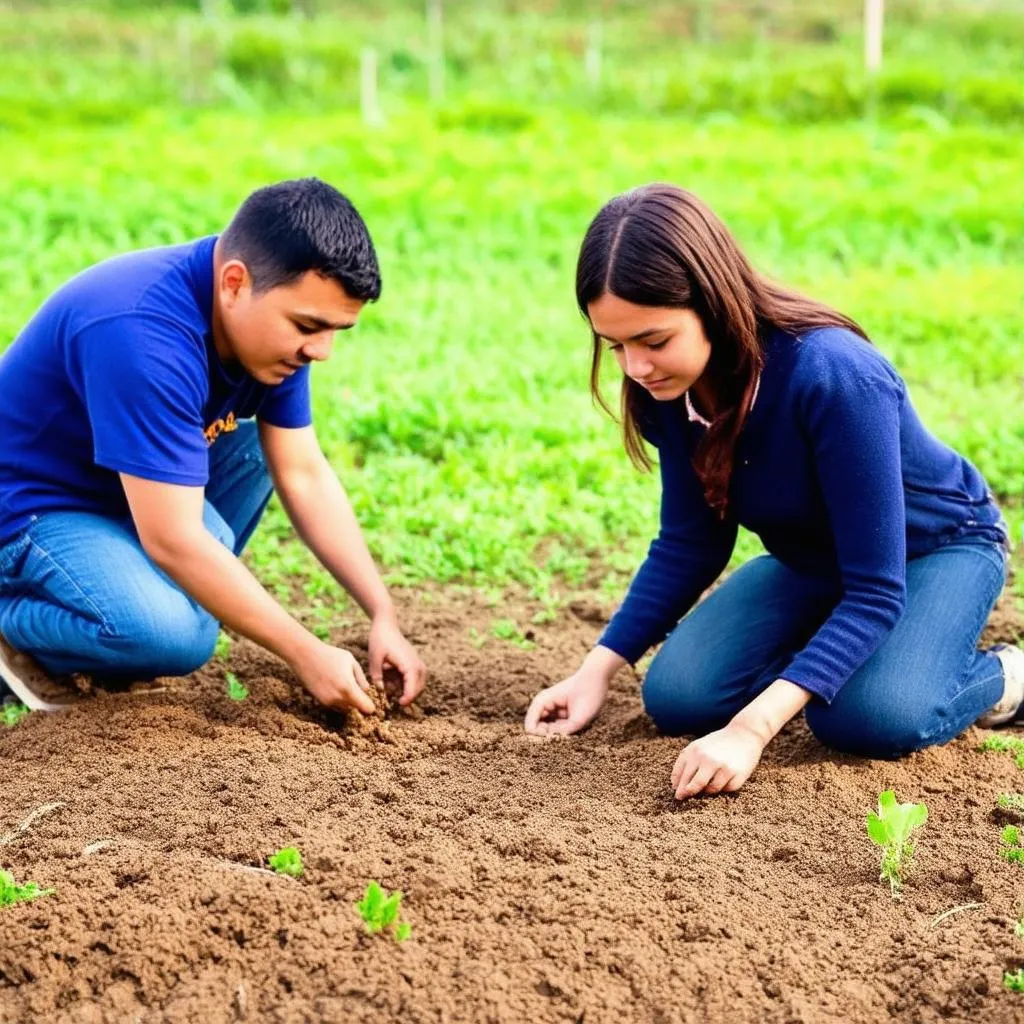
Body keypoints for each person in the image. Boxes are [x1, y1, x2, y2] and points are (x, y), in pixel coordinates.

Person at [524, 183, 1021, 798]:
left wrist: (752, 728)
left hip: (936, 550)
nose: (635, 367)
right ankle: (839, 661)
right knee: (679, 695)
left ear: (713, 301)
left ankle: (1003, 675)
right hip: (816, 559)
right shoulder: (670, 391)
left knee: (868, 716)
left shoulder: (834, 376)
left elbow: (875, 587)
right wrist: (596, 669)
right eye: (615, 345)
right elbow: (689, 543)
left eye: (653, 341)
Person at [0, 178, 426, 714]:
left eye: (336, 330)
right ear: (233, 283)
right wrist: (305, 652)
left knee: (253, 454)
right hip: (31, 509)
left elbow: (302, 472)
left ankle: (124, 585)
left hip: (123, 488)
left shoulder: (271, 327)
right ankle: (14, 623)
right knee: (174, 635)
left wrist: (380, 612)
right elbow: (173, 539)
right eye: (310, 326)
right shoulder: (142, 334)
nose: (322, 351)